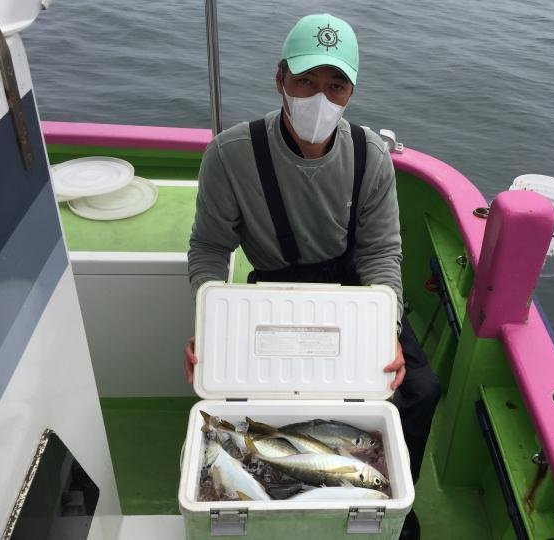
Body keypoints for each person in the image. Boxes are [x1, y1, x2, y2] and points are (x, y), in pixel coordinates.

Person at [184, 13, 440, 539]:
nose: (319, 97)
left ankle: (387, 504)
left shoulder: (371, 157)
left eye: (335, 86)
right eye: (305, 81)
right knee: (256, 398)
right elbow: (209, 248)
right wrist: (209, 326)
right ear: (280, 78)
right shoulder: (229, 155)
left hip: (354, 291)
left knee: (419, 389)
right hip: (274, 288)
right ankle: (272, 495)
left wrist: (387, 329)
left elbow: (382, 254)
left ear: (351, 93)